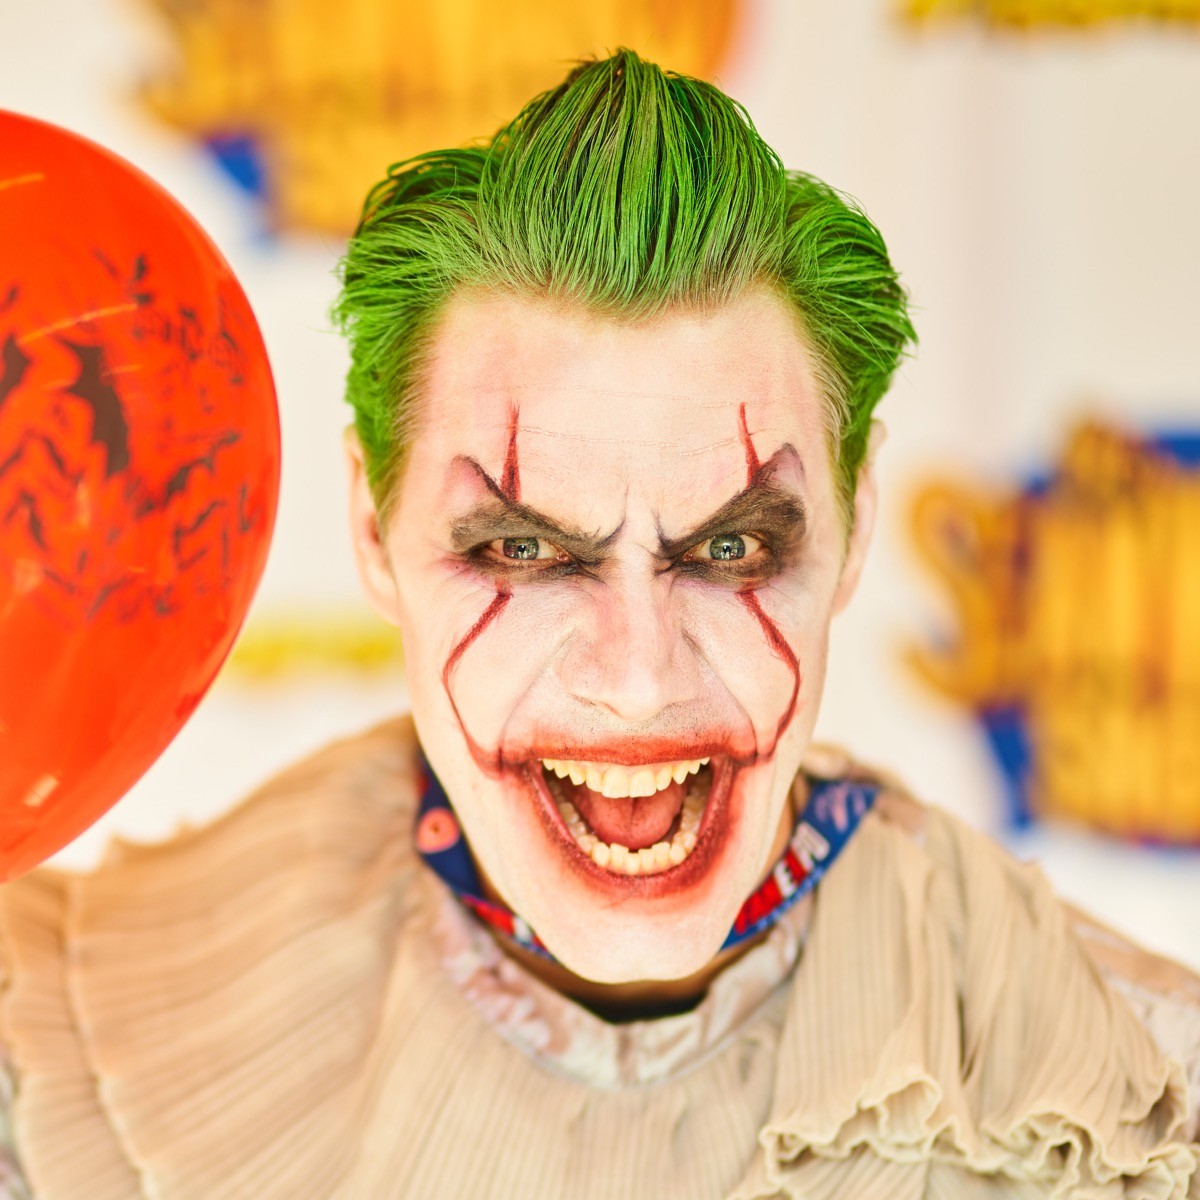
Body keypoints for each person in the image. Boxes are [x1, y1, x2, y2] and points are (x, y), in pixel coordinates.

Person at [2, 49, 1199, 1200]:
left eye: (732, 548)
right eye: (522, 550)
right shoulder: (49, 1053)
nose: (636, 680)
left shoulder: (1137, 1114)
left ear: (853, 527)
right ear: (374, 530)